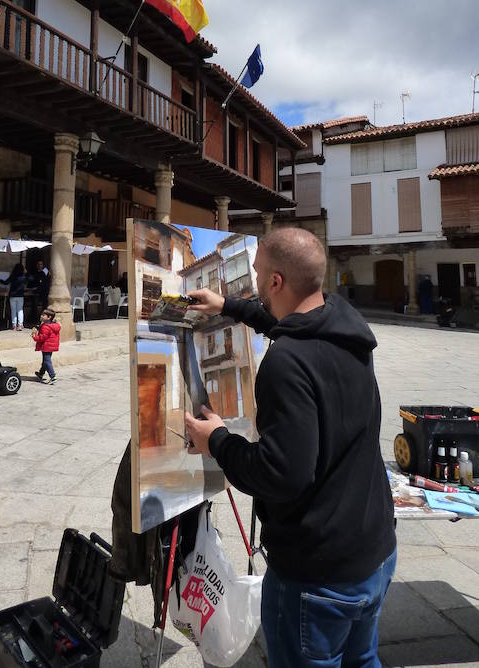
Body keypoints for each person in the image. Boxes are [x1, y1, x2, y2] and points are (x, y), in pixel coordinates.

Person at [184, 227, 396, 668]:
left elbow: (282, 474)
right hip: (374, 552)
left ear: (276, 282)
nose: (255, 280)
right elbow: (290, 324)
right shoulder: (345, 323)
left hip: (317, 575)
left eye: (258, 272)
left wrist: (217, 440)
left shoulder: (286, 363)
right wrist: (228, 307)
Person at [32, 308, 60, 383]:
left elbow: (42, 337)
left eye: (43, 315)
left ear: (49, 317)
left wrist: (34, 337)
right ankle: (41, 373)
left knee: (47, 361)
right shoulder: (53, 325)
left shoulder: (46, 327)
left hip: (46, 346)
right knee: (45, 361)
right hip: (51, 345)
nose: (41, 316)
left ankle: (53, 376)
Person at [4, 262, 27, 330]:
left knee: (13, 310)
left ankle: (14, 324)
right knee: (20, 310)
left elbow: (6, 282)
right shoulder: (23, 277)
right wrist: (26, 272)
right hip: (20, 295)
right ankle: (20, 324)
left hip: (13, 295)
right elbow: (31, 279)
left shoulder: (13, 276)